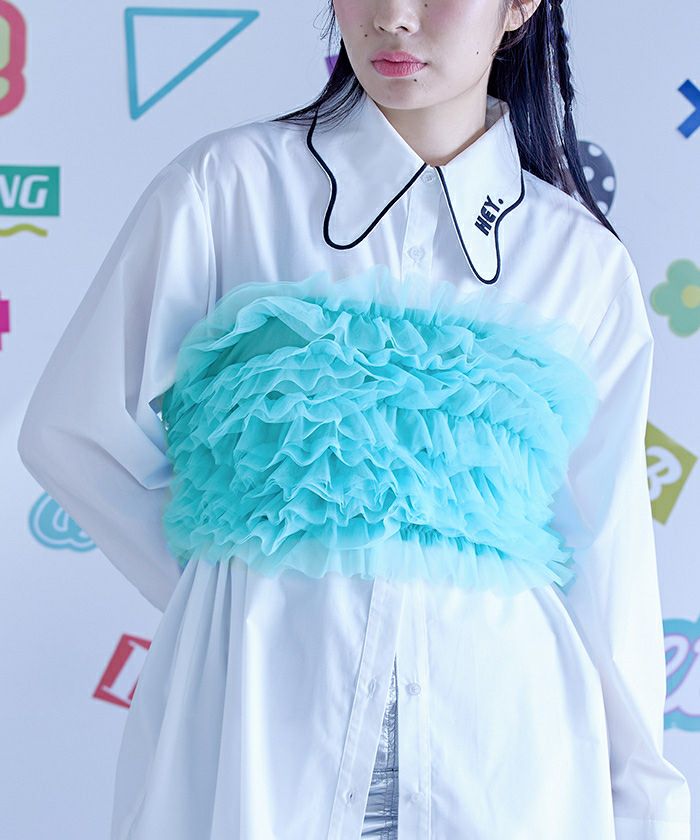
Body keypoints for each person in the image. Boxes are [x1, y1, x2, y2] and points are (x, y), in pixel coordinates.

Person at [16, 0, 692, 838]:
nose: (394, 17)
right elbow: (72, 432)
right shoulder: (229, 192)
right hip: (259, 737)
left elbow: (611, 574)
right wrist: (230, 579)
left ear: (519, 5)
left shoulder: (579, 265)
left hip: (504, 758)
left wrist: (653, 816)